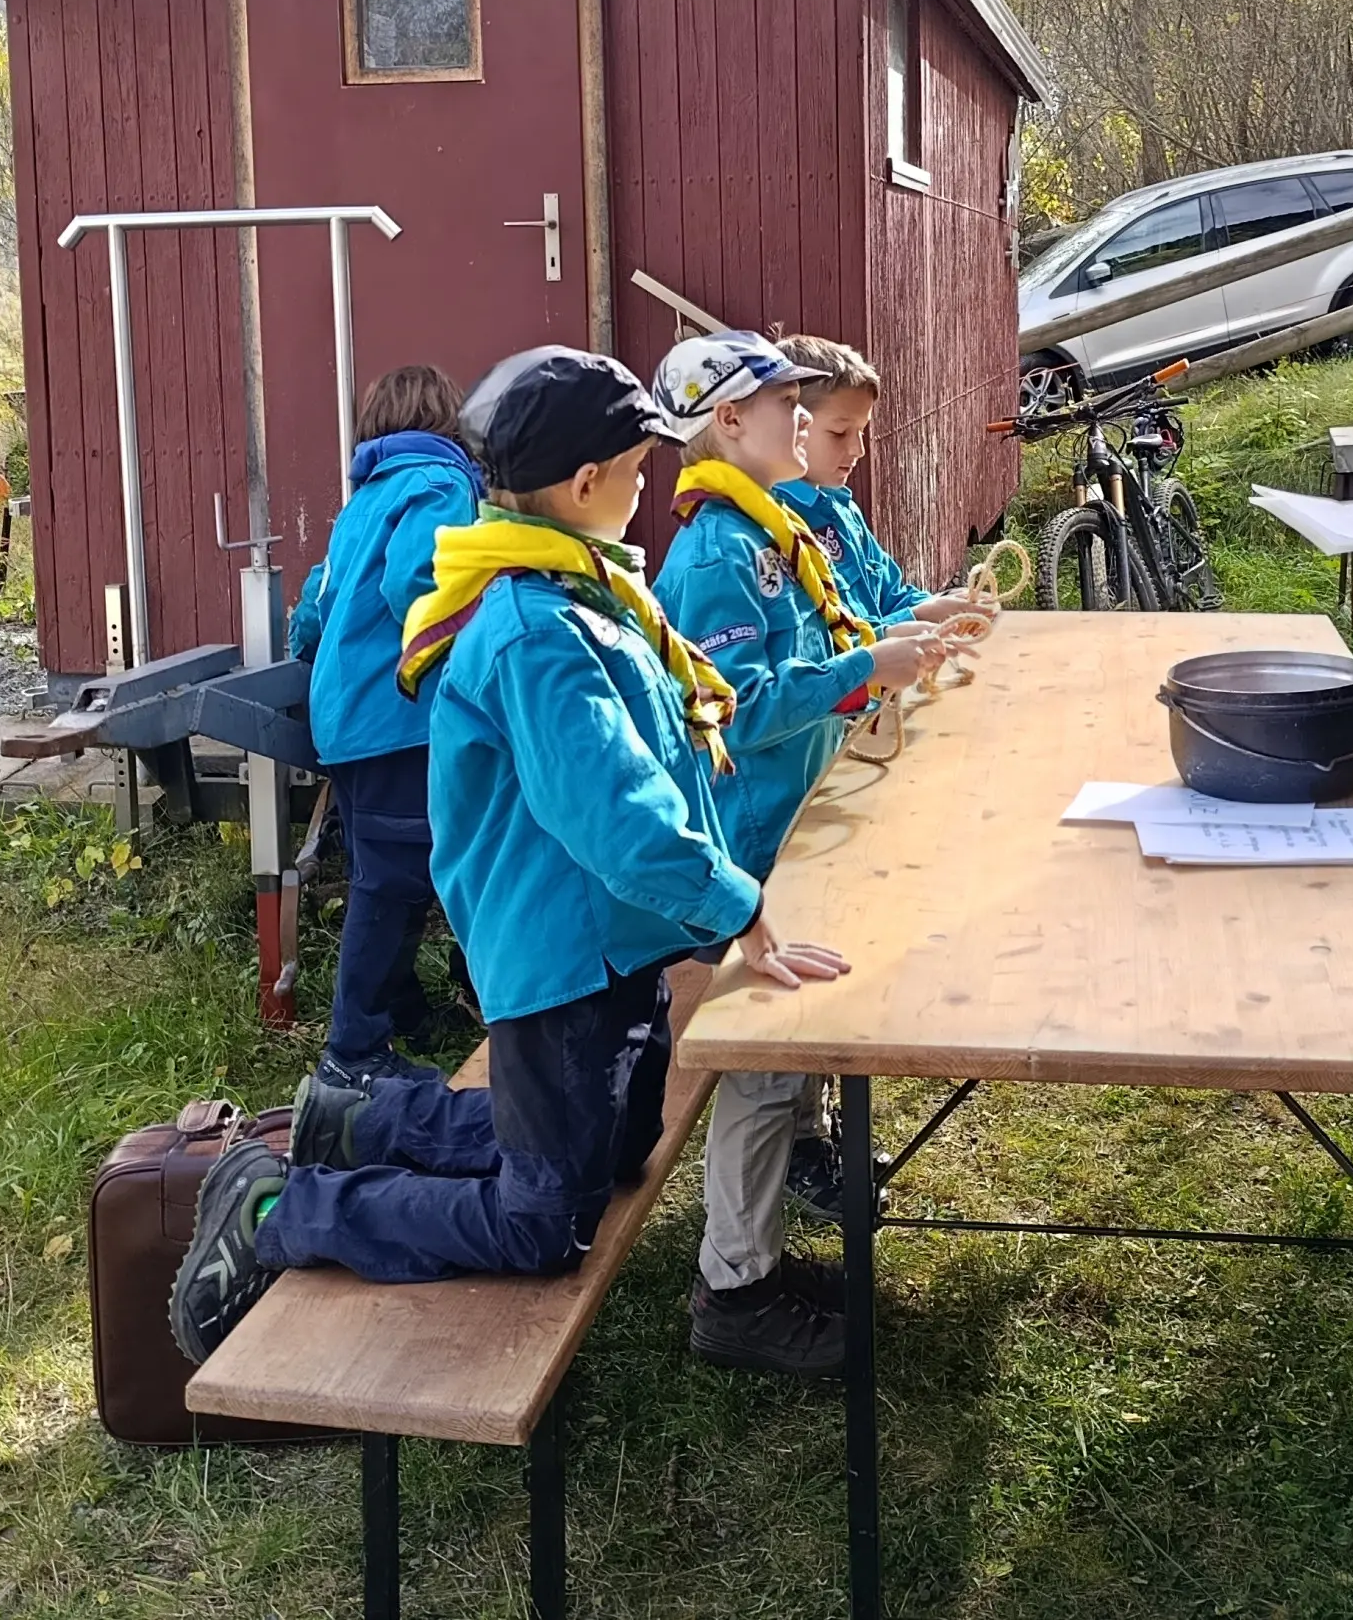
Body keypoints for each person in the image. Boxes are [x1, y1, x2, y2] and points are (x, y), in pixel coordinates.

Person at [168, 346, 845, 1352]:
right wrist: (735, 908)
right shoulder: (540, 629)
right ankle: (284, 1210)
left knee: (614, 1149)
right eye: (637, 465)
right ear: (584, 485)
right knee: (546, 1220)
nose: (648, 479)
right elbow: (617, 813)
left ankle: (361, 1123)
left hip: (614, 943)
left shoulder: (589, 586)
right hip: (559, 958)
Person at [652, 332, 941, 1377]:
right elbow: (735, 707)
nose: (802, 424)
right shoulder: (716, 555)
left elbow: (813, 648)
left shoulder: (769, 533)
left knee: (791, 1051)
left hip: (795, 829)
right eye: (785, 408)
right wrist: (864, 668)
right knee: (761, 1070)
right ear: (731, 424)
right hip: (750, 841)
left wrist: (871, 653)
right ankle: (735, 1288)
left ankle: (760, 1250)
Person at [287, 364, 484, 1090]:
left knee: (392, 867)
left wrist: (305, 646)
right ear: (449, 423)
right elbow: (421, 585)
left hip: (344, 718)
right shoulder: (441, 484)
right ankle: (354, 1046)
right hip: (398, 715)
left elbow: (318, 599)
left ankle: (403, 1007)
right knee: (395, 877)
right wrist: (483, 642)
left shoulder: (364, 499)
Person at [772, 336, 979, 633]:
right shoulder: (772, 528)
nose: (858, 450)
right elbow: (819, 651)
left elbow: (889, 597)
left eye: (862, 432)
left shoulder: (842, 509)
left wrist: (943, 605)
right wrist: (915, 619)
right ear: (792, 423)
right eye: (839, 432)